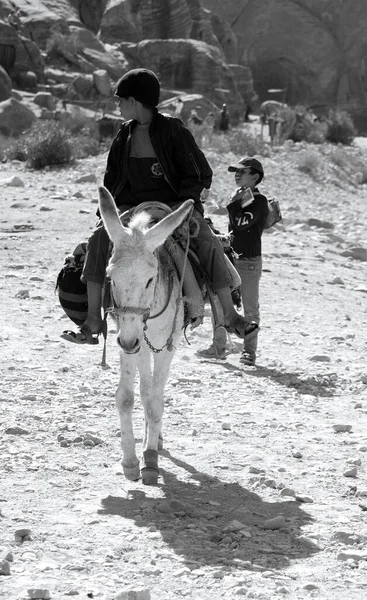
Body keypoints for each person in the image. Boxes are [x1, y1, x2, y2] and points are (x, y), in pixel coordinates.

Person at [62, 68, 258, 345]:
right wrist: (106, 217)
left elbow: (201, 173)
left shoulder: (172, 130)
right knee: (97, 238)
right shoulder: (123, 135)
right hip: (132, 207)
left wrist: (184, 207)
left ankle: (229, 314)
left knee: (207, 240)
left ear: (135, 101)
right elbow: (113, 180)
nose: (117, 105)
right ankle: (93, 319)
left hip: (173, 207)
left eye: (121, 100)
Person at [226, 157, 269, 365]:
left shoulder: (259, 201)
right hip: (231, 258)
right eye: (236, 171)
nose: (237, 174)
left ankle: (249, 352)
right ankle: (218, 346)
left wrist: (233, 205)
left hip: (249, 262)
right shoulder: (241, 197)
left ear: (255, 177)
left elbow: (242, 224)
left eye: (241, 172)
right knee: (222, 302)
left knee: (250, 309)